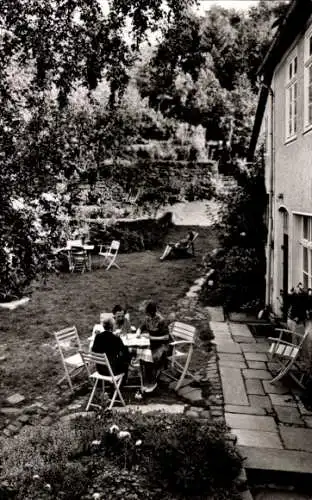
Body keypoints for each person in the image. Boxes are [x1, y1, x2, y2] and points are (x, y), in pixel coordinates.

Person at [137, 301, 170, 393]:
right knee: (143, 356)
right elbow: (142, 326)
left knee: (152, 358)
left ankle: (153, 382)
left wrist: (151, 337)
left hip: (162, 345)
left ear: (152, 312)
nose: (147, 316)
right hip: (152, 344)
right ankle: (146, 381)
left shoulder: (161, 320)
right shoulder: (148, 318)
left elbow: (166, 337)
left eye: (148, 313)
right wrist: (138, 332)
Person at [92, 317, 131, 381]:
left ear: (103, 326)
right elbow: (123, 351)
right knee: (126, 359)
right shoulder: (116, 339)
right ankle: (122, 383)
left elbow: (94, 350)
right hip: (112, 371)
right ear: (112, 326)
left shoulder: (98, 337)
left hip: (100, 369)